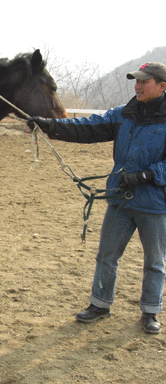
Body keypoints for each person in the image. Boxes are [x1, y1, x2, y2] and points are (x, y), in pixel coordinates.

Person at [28, 62, 166, 334]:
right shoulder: (122, 115)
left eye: (144, 81)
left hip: (154, 203)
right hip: (120, 200)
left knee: (155, 261)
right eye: (136, 81)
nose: (137, 85)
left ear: (162, 86)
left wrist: (147, 175)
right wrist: (49, 125)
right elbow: (86, 127)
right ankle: (100, 304)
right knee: (106, 255)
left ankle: (150, 311)